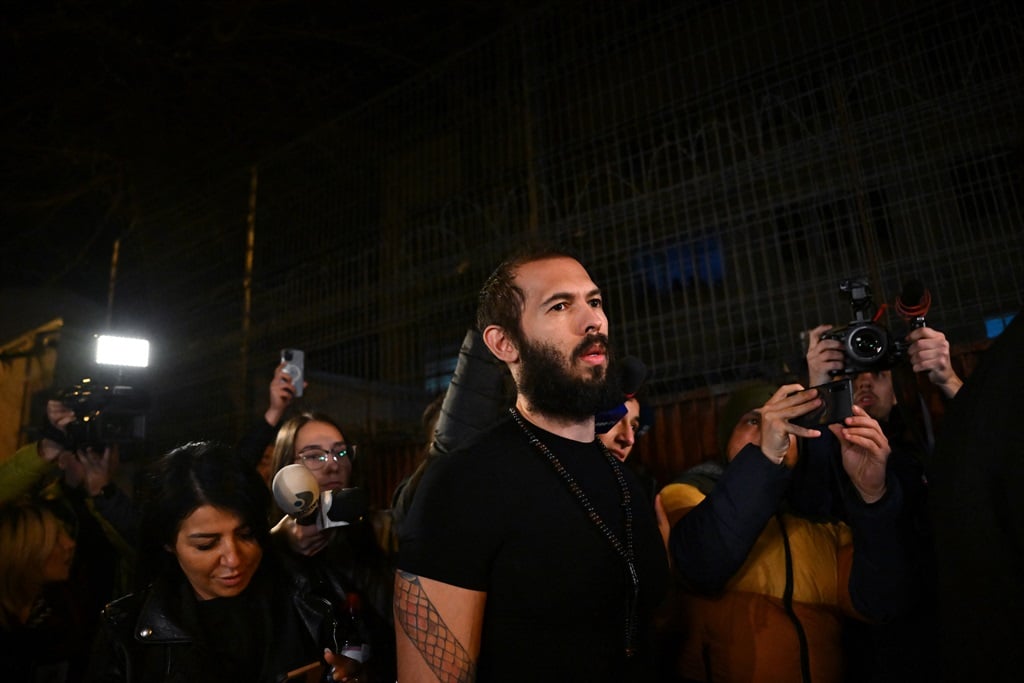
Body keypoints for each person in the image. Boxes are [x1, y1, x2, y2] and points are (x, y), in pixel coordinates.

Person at [395, 246, 670, 682]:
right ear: (504, 343)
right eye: (560, 305)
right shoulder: (462, 485)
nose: (592, 320)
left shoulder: (625, 480)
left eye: (594, 301)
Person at [657, 380, 910, 683]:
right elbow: (701, 564)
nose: (770, 429)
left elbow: (877, 602)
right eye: (754, 420)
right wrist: (764, 459)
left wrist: (872, 496)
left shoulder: (818, 518)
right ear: (726, 435)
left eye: (786, 422)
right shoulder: (688, 493)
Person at [86, 440, 359, 683]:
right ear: (169, 543)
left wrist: (353, 670)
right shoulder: (125, 633)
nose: (233, 558)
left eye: (246, 534)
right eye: (206, 544)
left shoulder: (307, 599)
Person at [801, 323, 961, 682]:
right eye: (852, 375)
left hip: (939, 623)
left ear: (897, 390)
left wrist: (948, 379)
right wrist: (817, 388)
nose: (864, 383)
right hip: (861, 636)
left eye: (878, 373)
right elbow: (810, 500)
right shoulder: (829, 454)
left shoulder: (927, 448)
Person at [268, 411, 397, 682]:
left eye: (340, 453)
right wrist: (279, 546)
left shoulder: (381, 530)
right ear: (285, 466)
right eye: (314, 455)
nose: (332, 465)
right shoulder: (265, 550)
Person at [0, 500, 81, 682]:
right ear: (23, 554)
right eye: (54, 540)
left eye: (64, 533)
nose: (69, 544)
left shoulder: (62, 606)